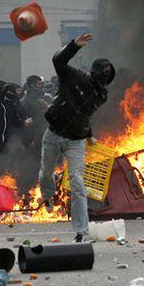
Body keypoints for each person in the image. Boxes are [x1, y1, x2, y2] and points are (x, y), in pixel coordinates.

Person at [39, 33, 115, 243]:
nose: (105, 76)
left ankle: (81, 232)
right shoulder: (73, 76)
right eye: (103, 72)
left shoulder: (101, 95)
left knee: (77, 182)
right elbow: (58, 61)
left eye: (108, 75)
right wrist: (74, 46)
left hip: (76, 140)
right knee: (46, 173)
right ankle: (47, 196)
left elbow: (84, 112)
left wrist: (88, 134)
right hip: (53, 133)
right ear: (94, 71)